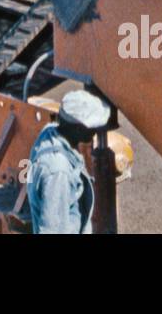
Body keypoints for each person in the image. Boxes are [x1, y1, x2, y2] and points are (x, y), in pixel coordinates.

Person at [26, 89, 110, 234]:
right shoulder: (58, 171)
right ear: (77, 128)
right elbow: (52, 229)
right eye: (92, 127)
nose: (95, 131)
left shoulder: (49, 132)